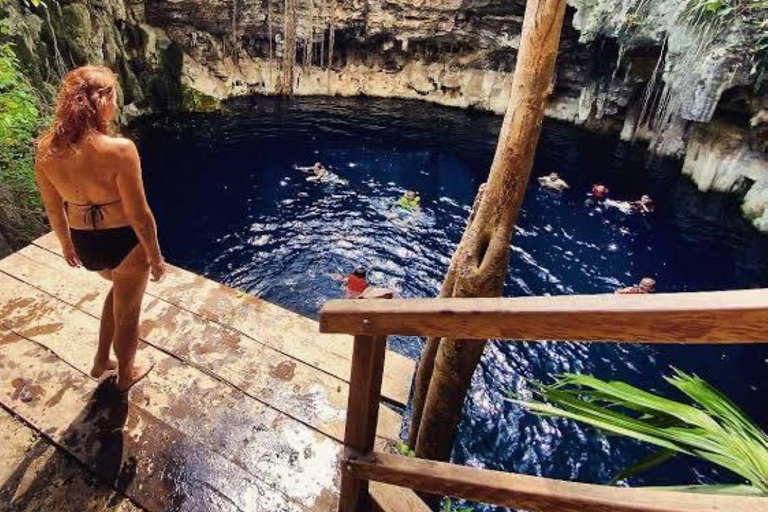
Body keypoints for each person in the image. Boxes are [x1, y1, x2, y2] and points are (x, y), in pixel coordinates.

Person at [35, 66, 165, 393]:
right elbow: (140, 215)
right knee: (130, 314)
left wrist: (66, 245)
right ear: (101, 101)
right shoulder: (120, 150)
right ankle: (125, 375)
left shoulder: (46, 151)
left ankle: (99, 360)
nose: (116, 104)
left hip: (85, 245)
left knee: (117, 292)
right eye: (113, 97)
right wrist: (155, 257)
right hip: (123, 243)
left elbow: (53, 207)